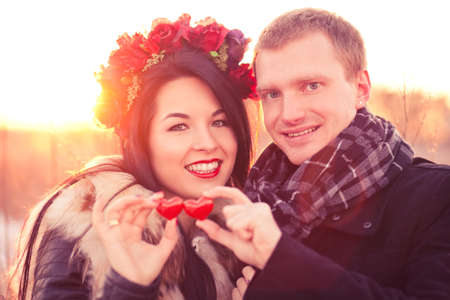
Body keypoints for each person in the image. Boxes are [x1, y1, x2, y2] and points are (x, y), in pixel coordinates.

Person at [197, 8, 450, 299]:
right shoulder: (251, 197)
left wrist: (285, 269)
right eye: (273, 94)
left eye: (311, 86)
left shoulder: (438, 198)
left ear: (361, 88)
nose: (289, 114)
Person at [7, 14, 257, 300]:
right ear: (141, 139)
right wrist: (127, 287)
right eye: (179, 126)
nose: (207, 143)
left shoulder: (236, 230)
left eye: (219, 122)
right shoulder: (82, 229)